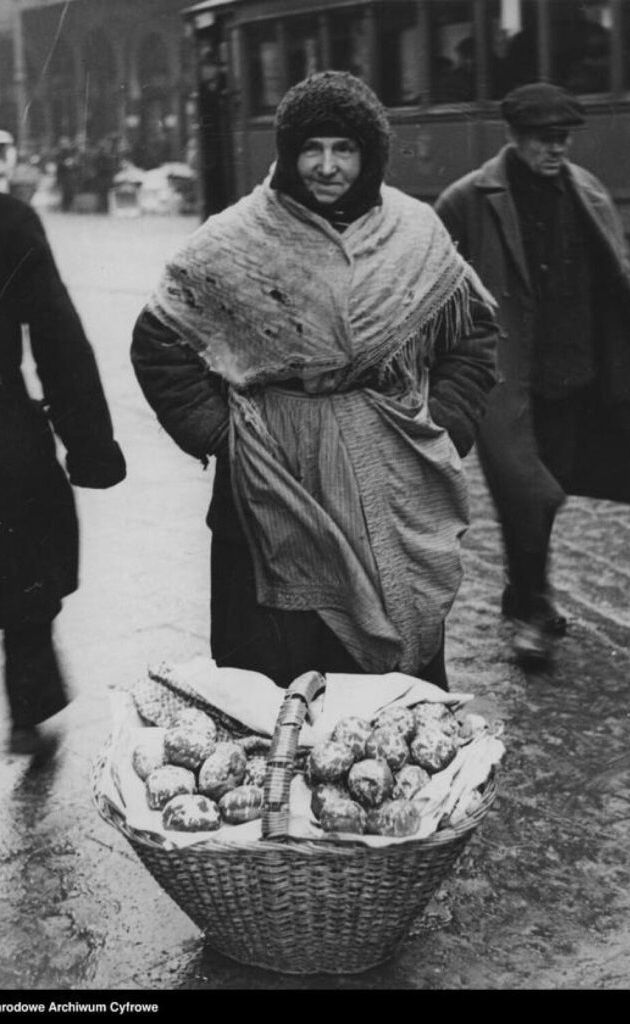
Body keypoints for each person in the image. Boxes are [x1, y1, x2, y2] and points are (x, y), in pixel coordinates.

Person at [131, 70, 499, 691]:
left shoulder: (415, 232)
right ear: (287, 154)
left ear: (371, 155)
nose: (327, 167)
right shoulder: (236, 237)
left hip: (391, 466)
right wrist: (226, 438)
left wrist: (444, 429)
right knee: (278, 660)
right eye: (311, 148)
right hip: (272, 473)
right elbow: (158, 339)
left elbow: (473, 335)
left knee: (390, 665)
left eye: (345, 149)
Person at [434, 82, 630, 668]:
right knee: (528, 496)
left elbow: (615, 278)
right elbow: (434, 283)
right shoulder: (469, 198)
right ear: (515, 137)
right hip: (509, 381)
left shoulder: (586, 192)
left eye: (563, 138)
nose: (556, 149)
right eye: (544, 139)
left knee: (550, 492)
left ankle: (523, 593)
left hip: (577, 376)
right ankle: (532, 613)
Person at [0, 187, 126, 753]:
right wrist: (88, 443)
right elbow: (57, 335)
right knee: (23, 577)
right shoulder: (4, 219)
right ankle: (32, 705)